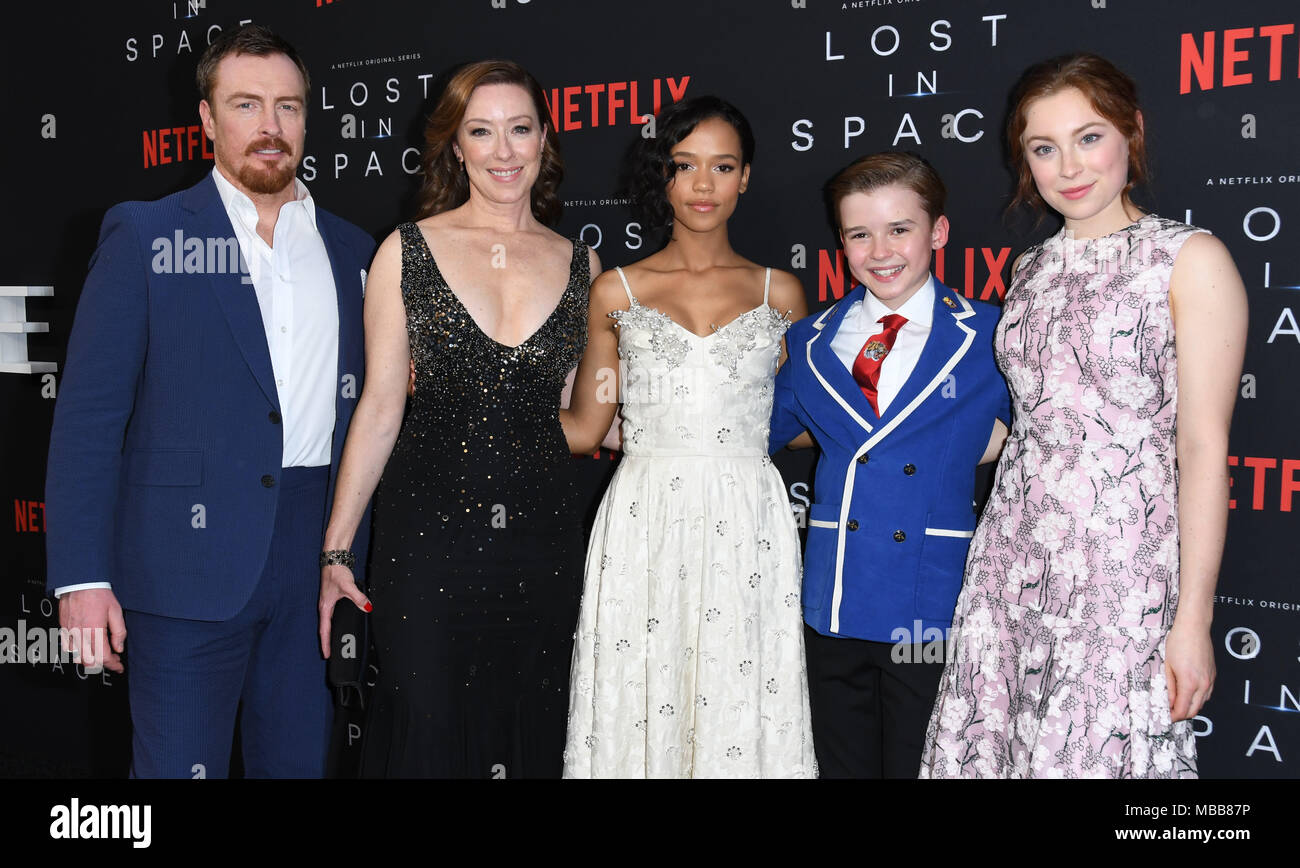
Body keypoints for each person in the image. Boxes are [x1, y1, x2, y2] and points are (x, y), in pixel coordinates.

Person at [44, 25, 375, 778]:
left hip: (316, 565)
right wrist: (82, 579)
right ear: (205, 121)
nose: (270, 127)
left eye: (288, 107)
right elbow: (90, 419)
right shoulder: (148, 235)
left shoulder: (354, 251)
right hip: (182, 570)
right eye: (246, 105)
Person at [920, 53, 1247, 778]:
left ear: (1132, 132)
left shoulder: (1188, 259)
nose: (1068, 166)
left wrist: (1192, 620)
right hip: (1013, 554)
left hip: (1121, 565)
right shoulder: (1032, 269)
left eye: (1088, 137)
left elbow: (1201, 446)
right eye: (1043, 148)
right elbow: (1033, 422)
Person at [317, 60, 597, 778]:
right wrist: (337, 554)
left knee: (533, 721)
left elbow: (584, 413)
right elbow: (380, 407)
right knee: (427, 723)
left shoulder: (584, 266)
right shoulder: (405, 252)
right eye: (482, 131)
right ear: (456, 146)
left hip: (543, 542)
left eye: (519, 129)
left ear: (544, 140)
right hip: (428, 542)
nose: (503, 152)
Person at [560, 96, 816, 778]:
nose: (704, 185)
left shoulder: (781, 294)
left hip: (748, 518)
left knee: (740, 699)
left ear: (746, 177)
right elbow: (587, 426)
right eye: (685, 165)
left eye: (722, 166)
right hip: (645, 518)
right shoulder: (616, 291)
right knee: (642, 700)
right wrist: (481, 399)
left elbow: (794, 424)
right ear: (663, 176)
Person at [769, 152, 1011, 778]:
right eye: (859, 233)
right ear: (840, 241)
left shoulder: (990, 334)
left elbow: (1043, 437)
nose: (881, 250)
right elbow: (754, 430)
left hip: (929, 600)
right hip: (834, 598)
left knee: (920, 765)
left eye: (899, 229)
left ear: (938, 232)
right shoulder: (810, 339)